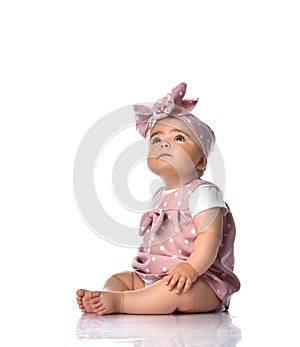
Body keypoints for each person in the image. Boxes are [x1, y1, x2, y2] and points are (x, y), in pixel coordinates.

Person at [76, 82, 240, 315]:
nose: (164, 143)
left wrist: (191, 268)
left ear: (201, 162)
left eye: (179, 139)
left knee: (172, 291)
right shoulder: (159, 196)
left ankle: (122, 303)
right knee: (121, 278)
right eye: (156, 139)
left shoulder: (203, 193)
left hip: (200, 281)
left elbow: (210, 236)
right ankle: (113, 293)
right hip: (153, 276)